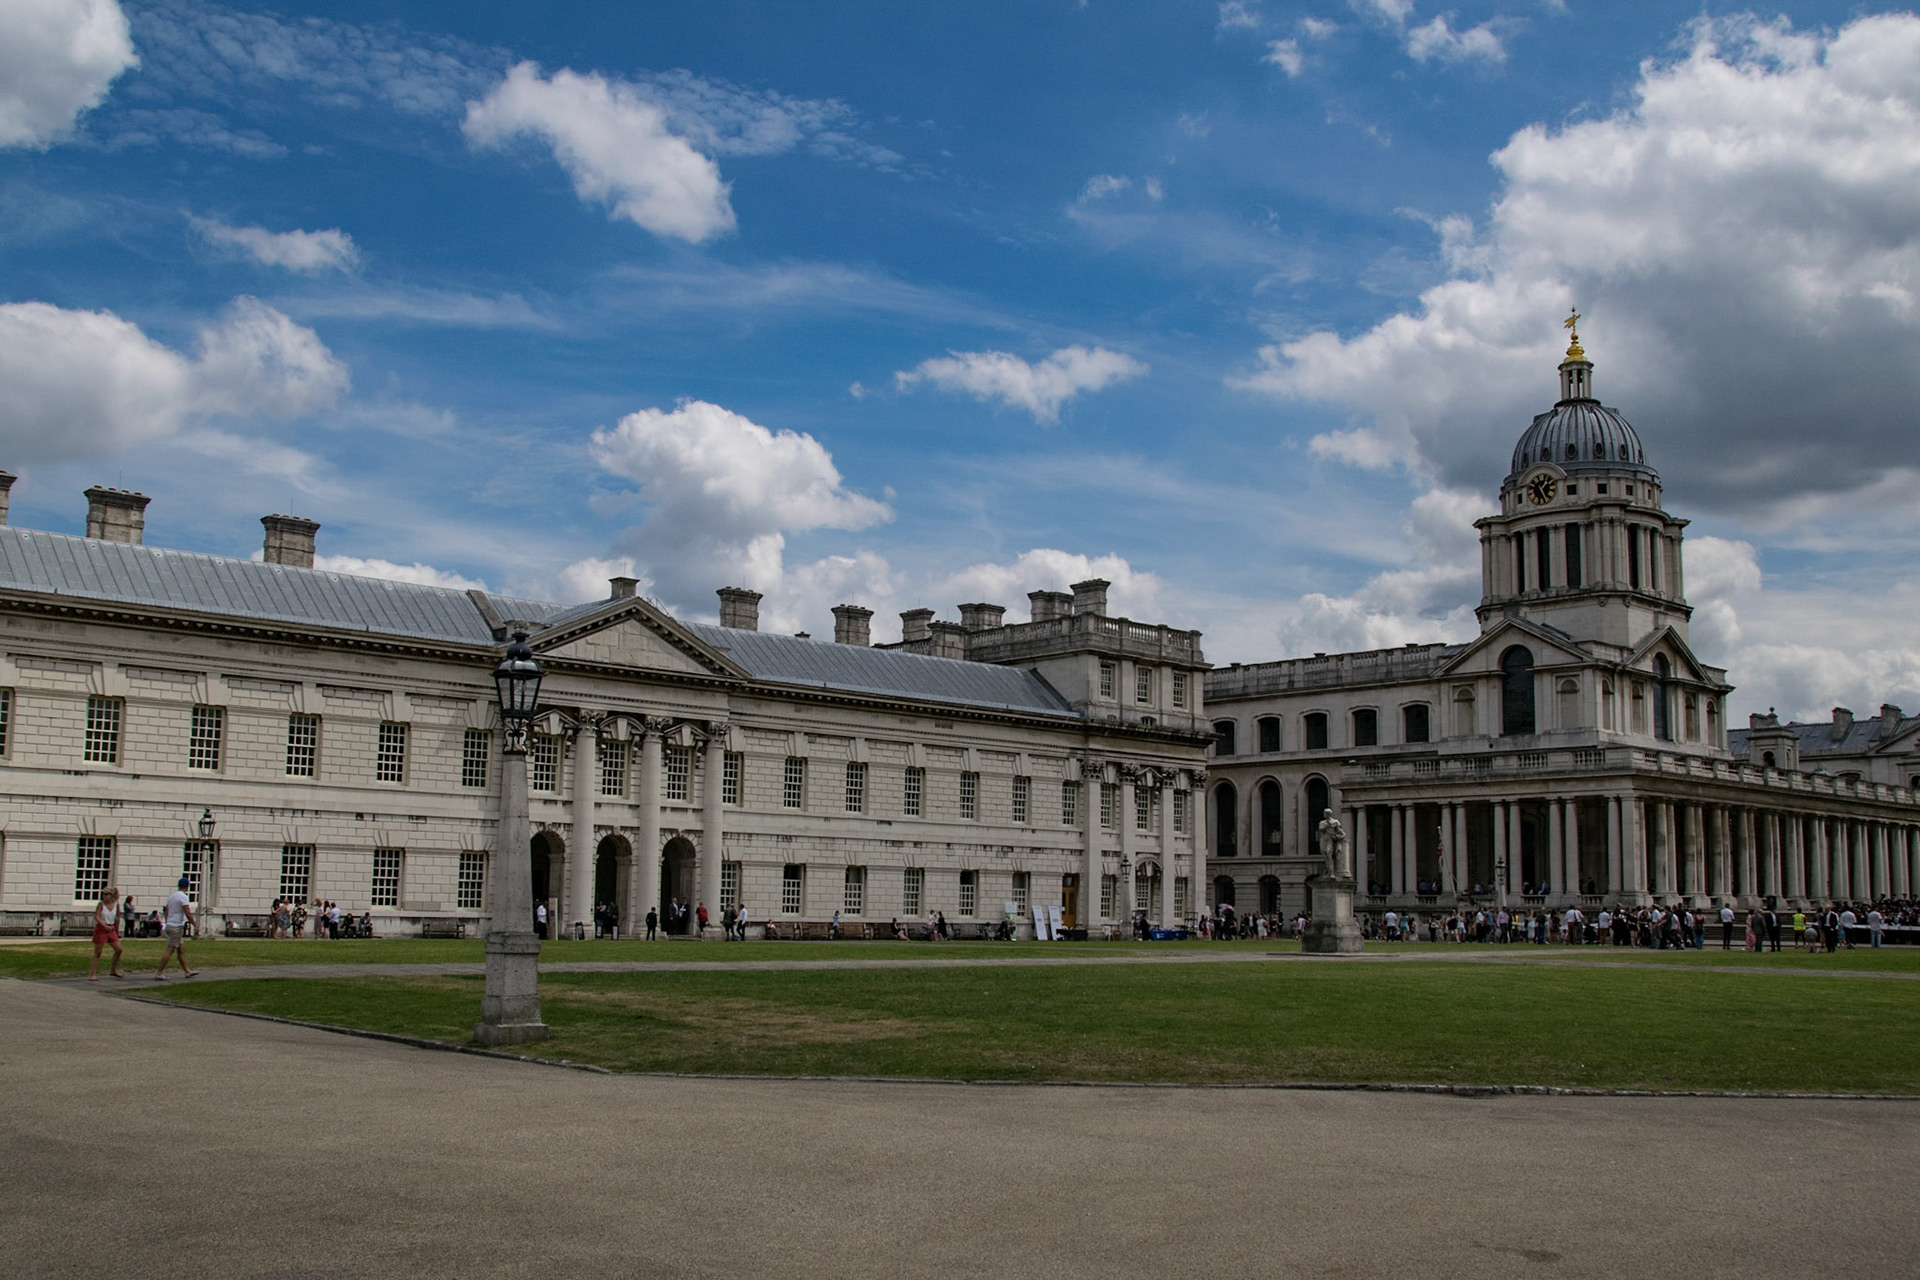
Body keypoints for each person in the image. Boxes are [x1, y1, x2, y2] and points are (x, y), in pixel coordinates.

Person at [154, 877, 197, 980]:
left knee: (181, 949)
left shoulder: (171, 896)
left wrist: (168, 921)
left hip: (170, 924)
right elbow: (188, 912)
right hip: (176, 926)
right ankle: (159, 972)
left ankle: (187, 971)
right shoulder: (183, 897)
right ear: (187, 887)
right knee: (170, 949)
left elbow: (167, 910)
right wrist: (195, 925)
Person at [90, 888, 125, 980]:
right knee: (98, 952)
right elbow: (96, 916)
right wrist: (104, 925)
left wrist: (116, 929)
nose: (104, 896)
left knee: (119, 949)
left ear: (111, 896)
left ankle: (113, 970)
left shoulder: (116, 905)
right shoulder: (101, 905)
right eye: (103, 894)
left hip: (111, 929)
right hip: (101, 928)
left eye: (106, 894)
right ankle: (93, 974)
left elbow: (118, 916)